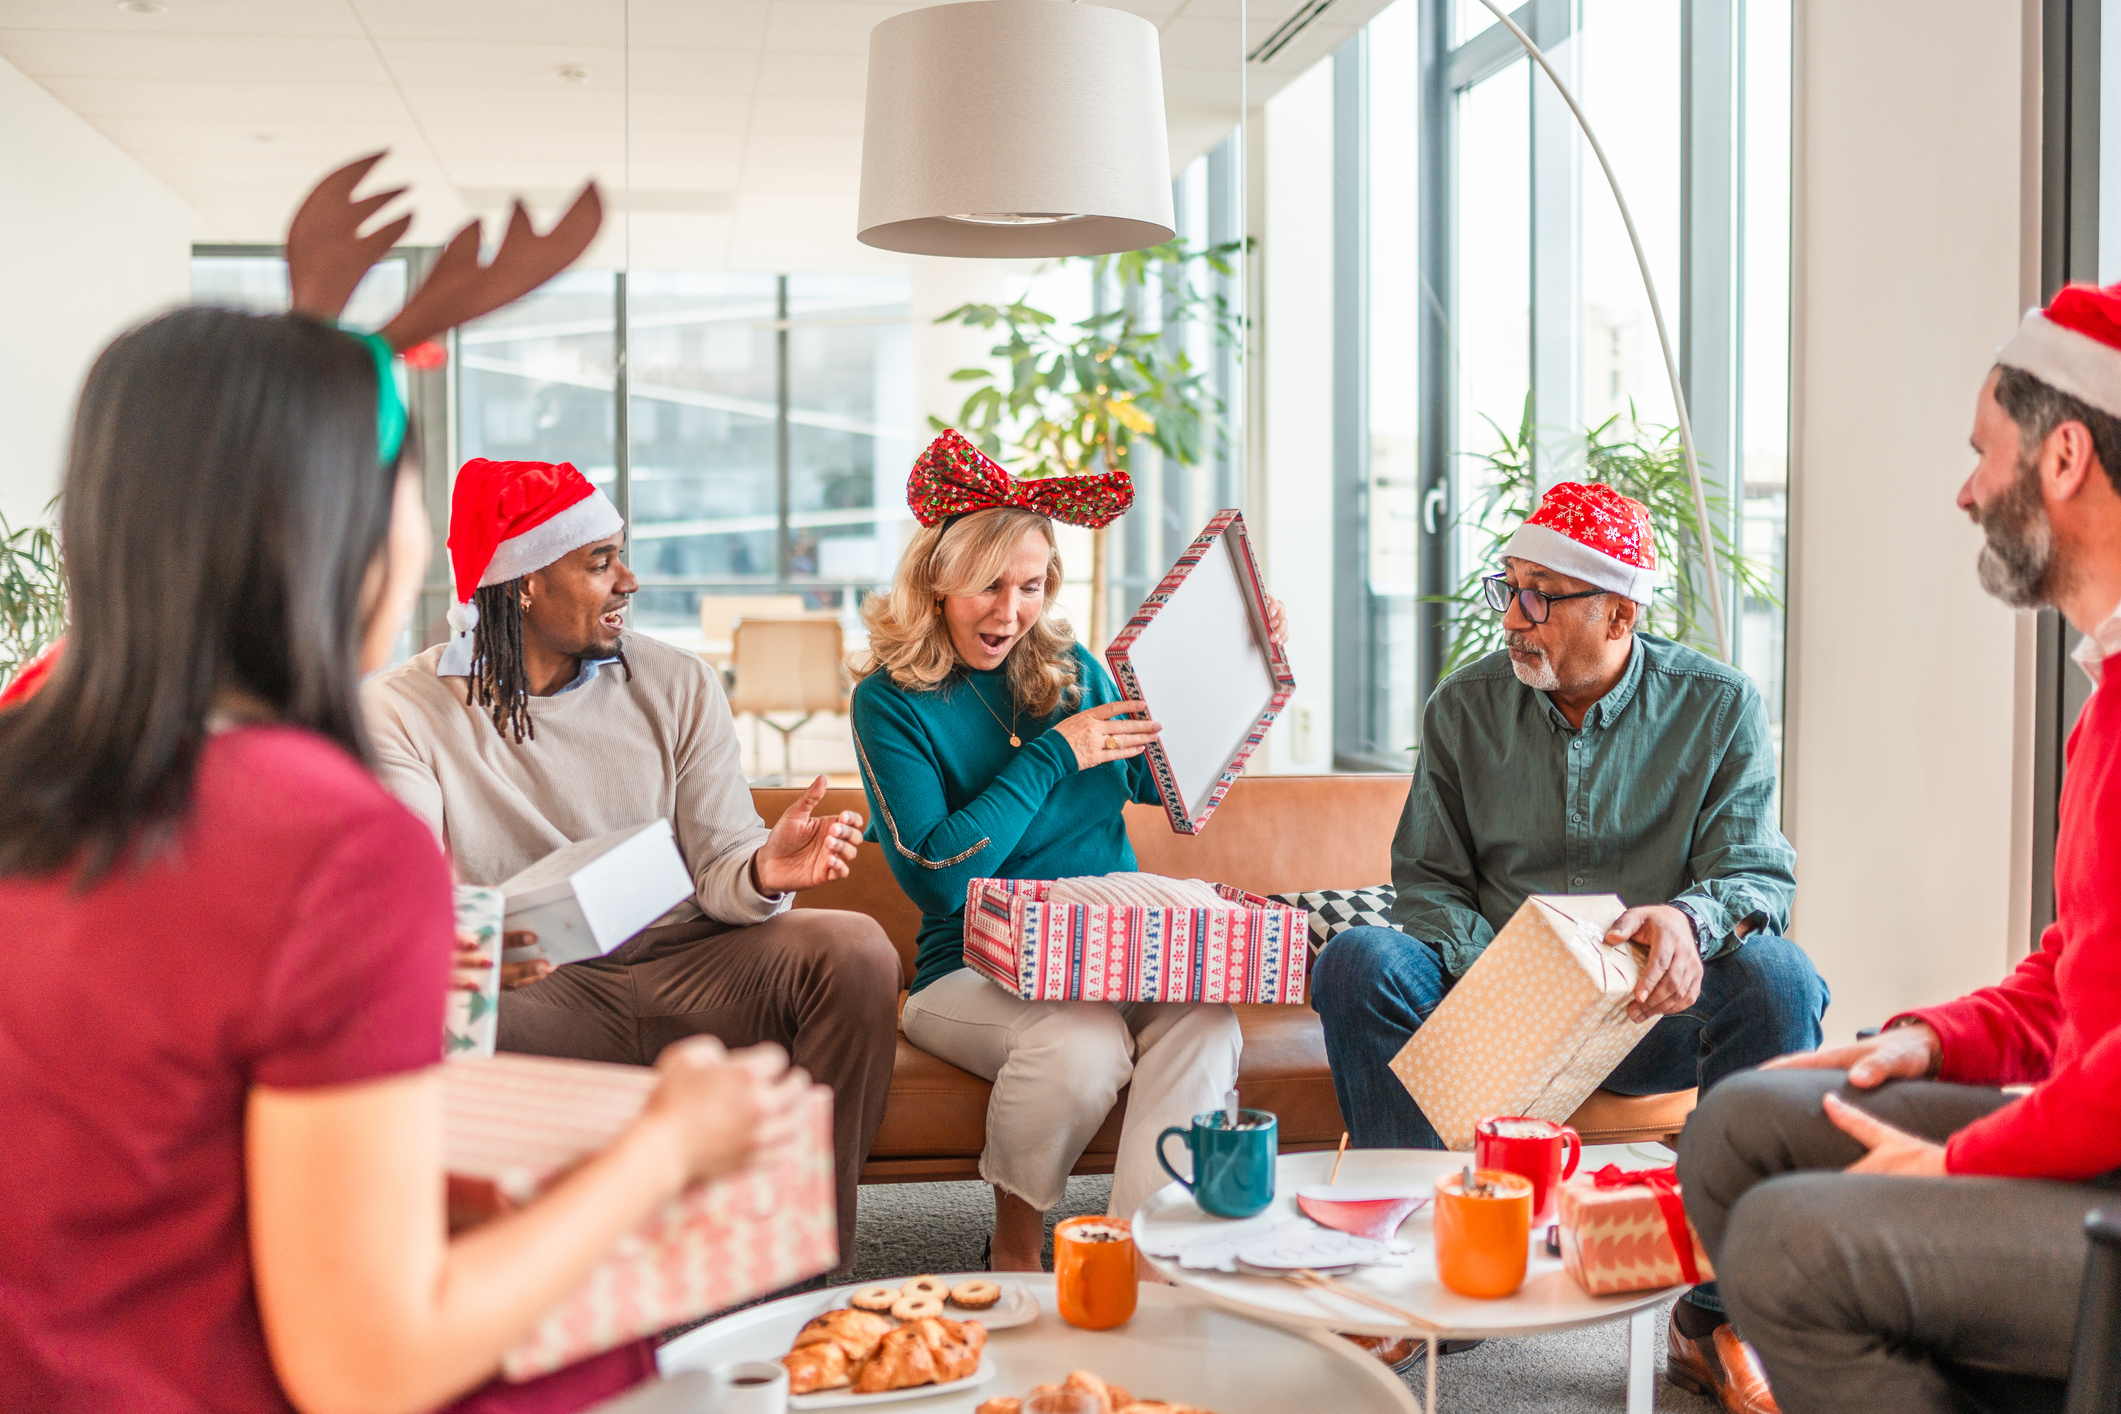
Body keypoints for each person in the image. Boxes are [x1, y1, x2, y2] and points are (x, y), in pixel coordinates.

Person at [0, 289, 814, 1407]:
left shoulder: (32, 758)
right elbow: (368, 1365)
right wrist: (665, 1148)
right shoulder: (325, 838)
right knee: (613, 1343)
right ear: (335, 529)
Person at [1677, 280, 2121, 1414]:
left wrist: (1964, 1164)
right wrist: (1927, 1042)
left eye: (1986, 451)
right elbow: (2077, 971)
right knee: (1741, 1129)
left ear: (2063, 457)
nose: (1966, 489)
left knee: (1786, 1244)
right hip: (2094, 1125)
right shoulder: (2104, 696)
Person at [1310, 480, 1827, 1391]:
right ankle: (1427, 1284)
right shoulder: (1461, 707)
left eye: (1540, 595)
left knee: (1779, 979)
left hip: (1646, 1013)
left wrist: (1685, 922)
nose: (1514, 616)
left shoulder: (1718, 707)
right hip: (1492, 1013)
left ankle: (1716, 1317)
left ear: (1620, 611)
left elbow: (1757, 877)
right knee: (1359, 961)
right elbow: (1425, 883)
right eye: (1507, 588)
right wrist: (1519, 972)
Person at [361, 456, 901, 1270]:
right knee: (416, 1009)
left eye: (622, 554)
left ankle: (800, 1261)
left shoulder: (676, 682)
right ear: (524, 583)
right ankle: (493, 1275)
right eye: (599, 561)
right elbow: (405, 888)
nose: (630, 580)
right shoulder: (403, 711)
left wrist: (765, 871)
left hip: (692, 960)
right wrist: (467, 940)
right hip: (541, 985)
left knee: (856, 948)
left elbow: (722, 857)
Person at [850, 430, 1283, 1272]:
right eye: (987, 586)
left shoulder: (1071, 667)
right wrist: (1053, 753)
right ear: (937, 580)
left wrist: (1238, 673)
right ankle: (1014, 1251)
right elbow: (943, 880)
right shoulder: (889, 703)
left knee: (1205, 1021)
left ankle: (1142, 1257)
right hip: (968, 971)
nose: (1009, 612)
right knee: (1078, 1043)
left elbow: (1164, 786)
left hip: (1110, 948)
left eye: (1030, 585)